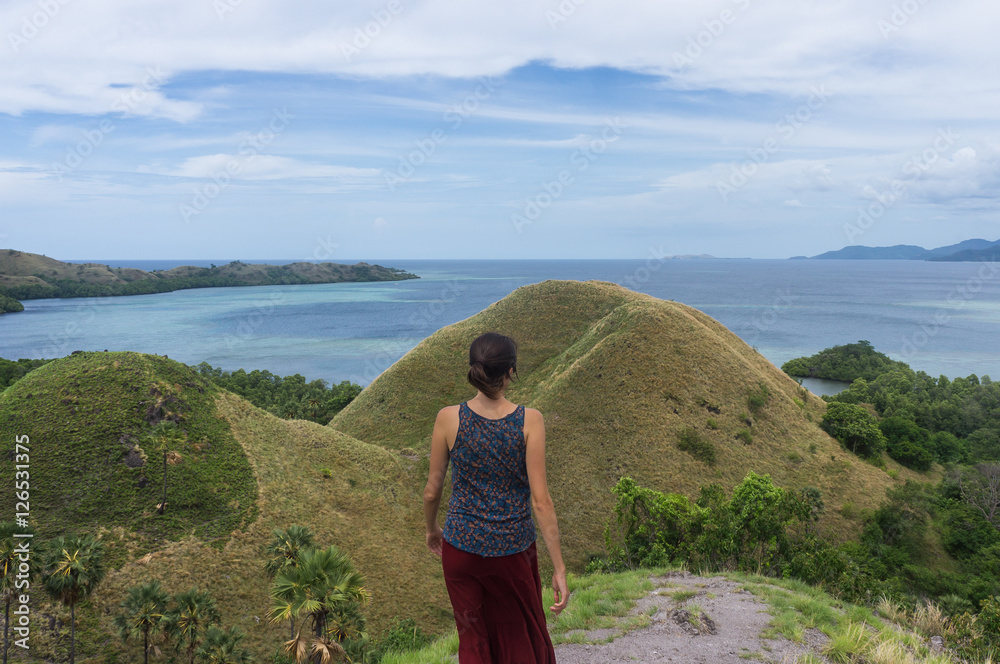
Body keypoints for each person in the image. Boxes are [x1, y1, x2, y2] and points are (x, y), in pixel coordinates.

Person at [424, 331, 568, 663]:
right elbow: (541, 501)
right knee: (520, 633)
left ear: (475, 369)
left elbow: (432, 491)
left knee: (472, 636)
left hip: (460, 549)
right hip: (512, 550)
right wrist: (559, 568)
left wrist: (432, 530)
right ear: (510, 372)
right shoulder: (529, 421)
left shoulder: (448, 418)